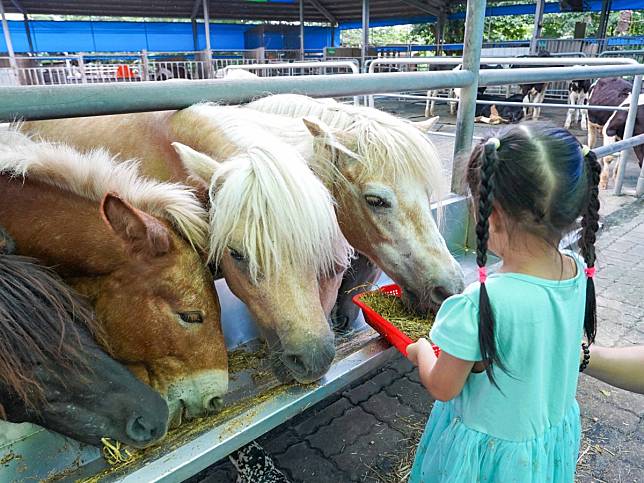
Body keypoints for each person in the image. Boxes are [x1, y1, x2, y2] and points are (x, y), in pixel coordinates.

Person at [406, 124, 601, 483]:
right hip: (540, 450)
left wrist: (421, 351)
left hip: (489, 462)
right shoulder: (576, 271)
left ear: (490, 214)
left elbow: (442, 386)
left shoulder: (482, 302)